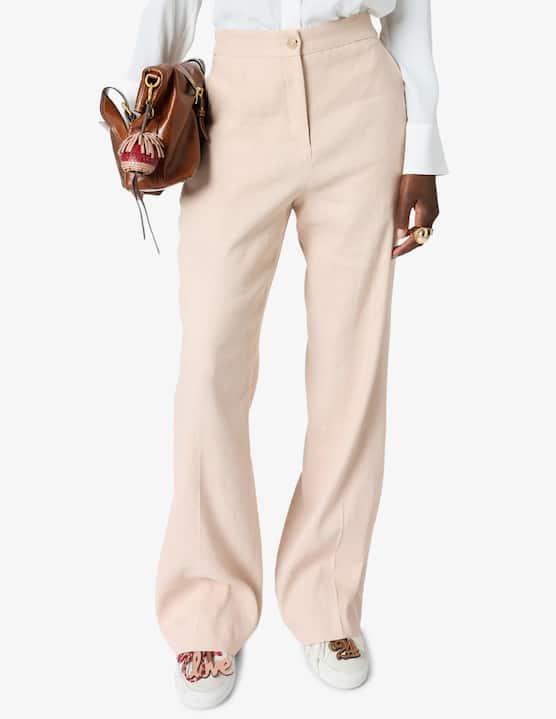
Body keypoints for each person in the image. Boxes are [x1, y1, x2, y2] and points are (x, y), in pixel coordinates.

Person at [111, 0, 447, 709]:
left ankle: (328, 599)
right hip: (236, 102)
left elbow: (411, 11)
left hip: (360, 93)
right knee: (209, 361)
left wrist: (421, 147)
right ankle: (206, 607)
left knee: (351, 361)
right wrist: (141, 112)